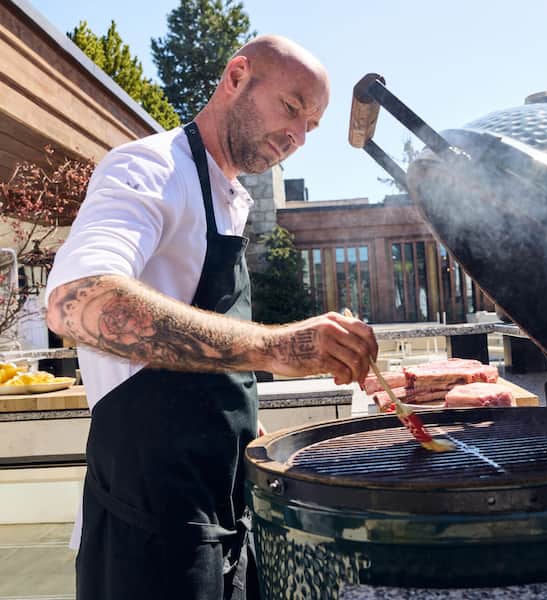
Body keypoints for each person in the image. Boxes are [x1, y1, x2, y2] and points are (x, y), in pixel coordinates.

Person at [44, 35, 378, 599]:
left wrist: (244, 426)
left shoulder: (230, 199)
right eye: (291, 107)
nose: (296, 137)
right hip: (148, 526)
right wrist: (281, 348)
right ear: (236, 76)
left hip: (224, 502)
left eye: (310, 127)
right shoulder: (149, 167)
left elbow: (207, 355)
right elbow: (77, 301)